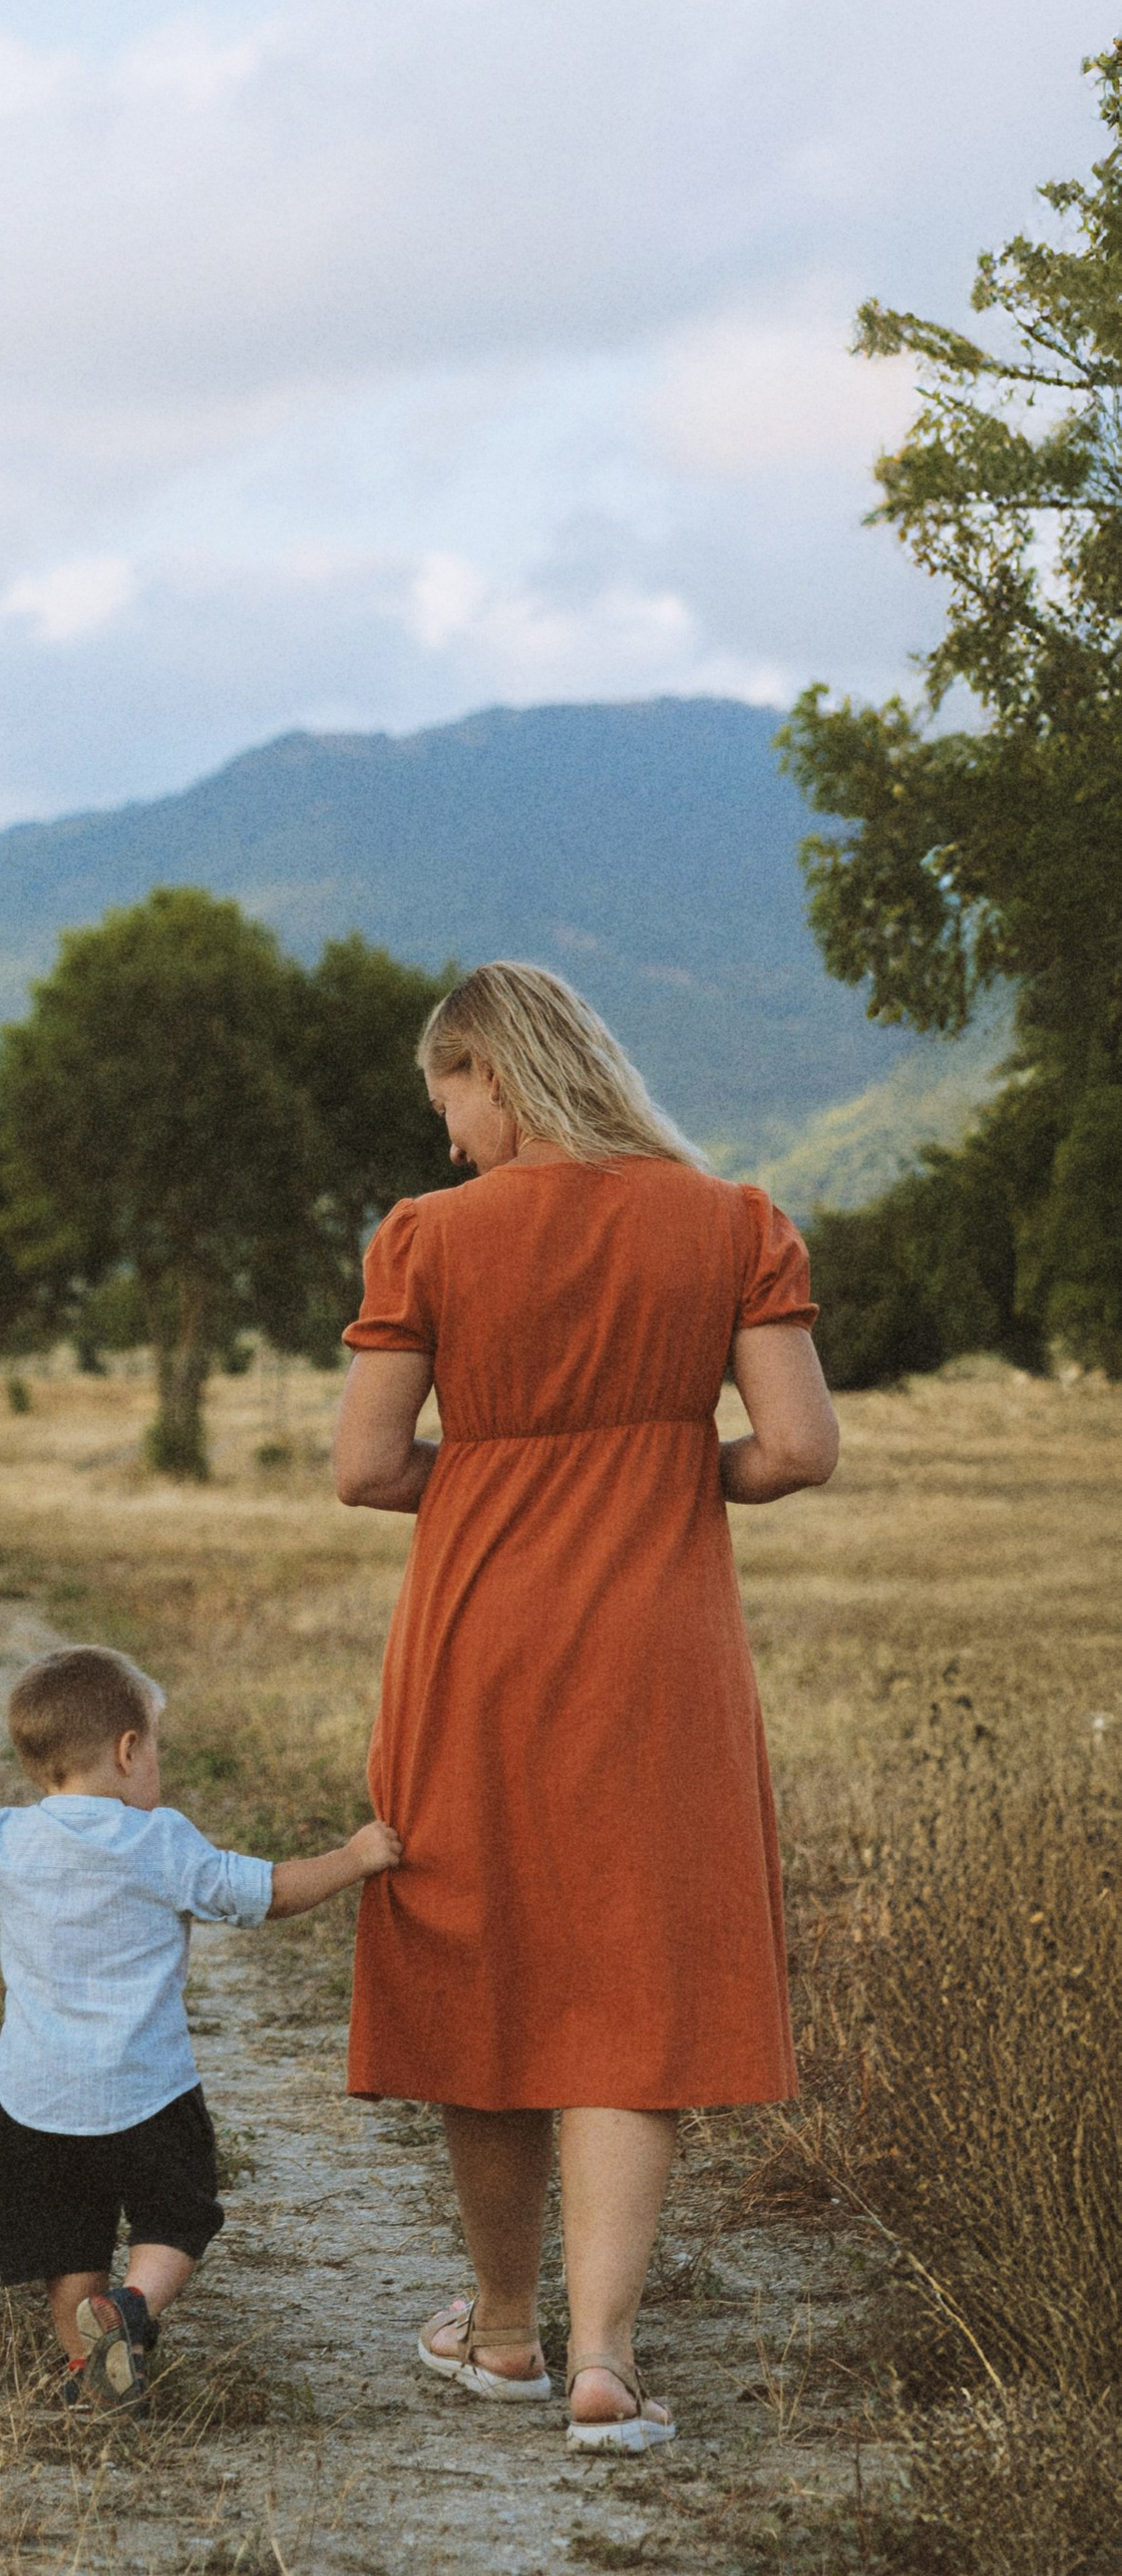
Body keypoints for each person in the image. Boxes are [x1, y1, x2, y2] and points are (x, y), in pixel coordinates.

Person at [332, 960, 838, 2454]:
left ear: (493, 1068)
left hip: (478, 1636)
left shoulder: (427, 1239)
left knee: (487, 1953)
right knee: (628, 1975)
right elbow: (799, 1447)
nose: (447, 1142)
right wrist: (670, 1471)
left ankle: (501, 2334)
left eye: (452, 1102)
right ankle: (606, 2356)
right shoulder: (733, 1220)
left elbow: (367, 1468)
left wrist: (501, 1475)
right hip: (661, 1646)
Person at [0, 1643, 402, 2407]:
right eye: (155, 1748)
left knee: (68, 2247)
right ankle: (134, 2308)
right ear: (128, 1749)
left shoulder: (7, 1839)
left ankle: (88, 2369)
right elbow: (267, 1892)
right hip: (148, 2089)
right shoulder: (161, 1840)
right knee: (176, 2218)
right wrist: (354, 1855)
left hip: (38, 2100)